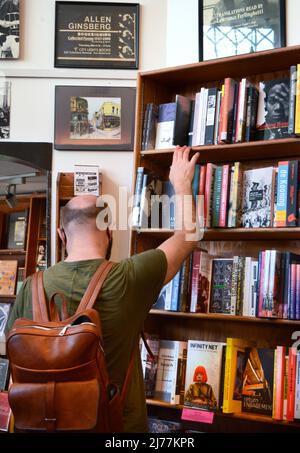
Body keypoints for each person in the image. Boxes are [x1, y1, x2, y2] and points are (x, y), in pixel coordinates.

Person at [6, 145, 200, 433]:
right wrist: (182, 183)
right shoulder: (130, 278)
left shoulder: (30, 286)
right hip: (116, 427)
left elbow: (15, 369)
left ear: (61, 235)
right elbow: (187, 236)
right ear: (109, 232)